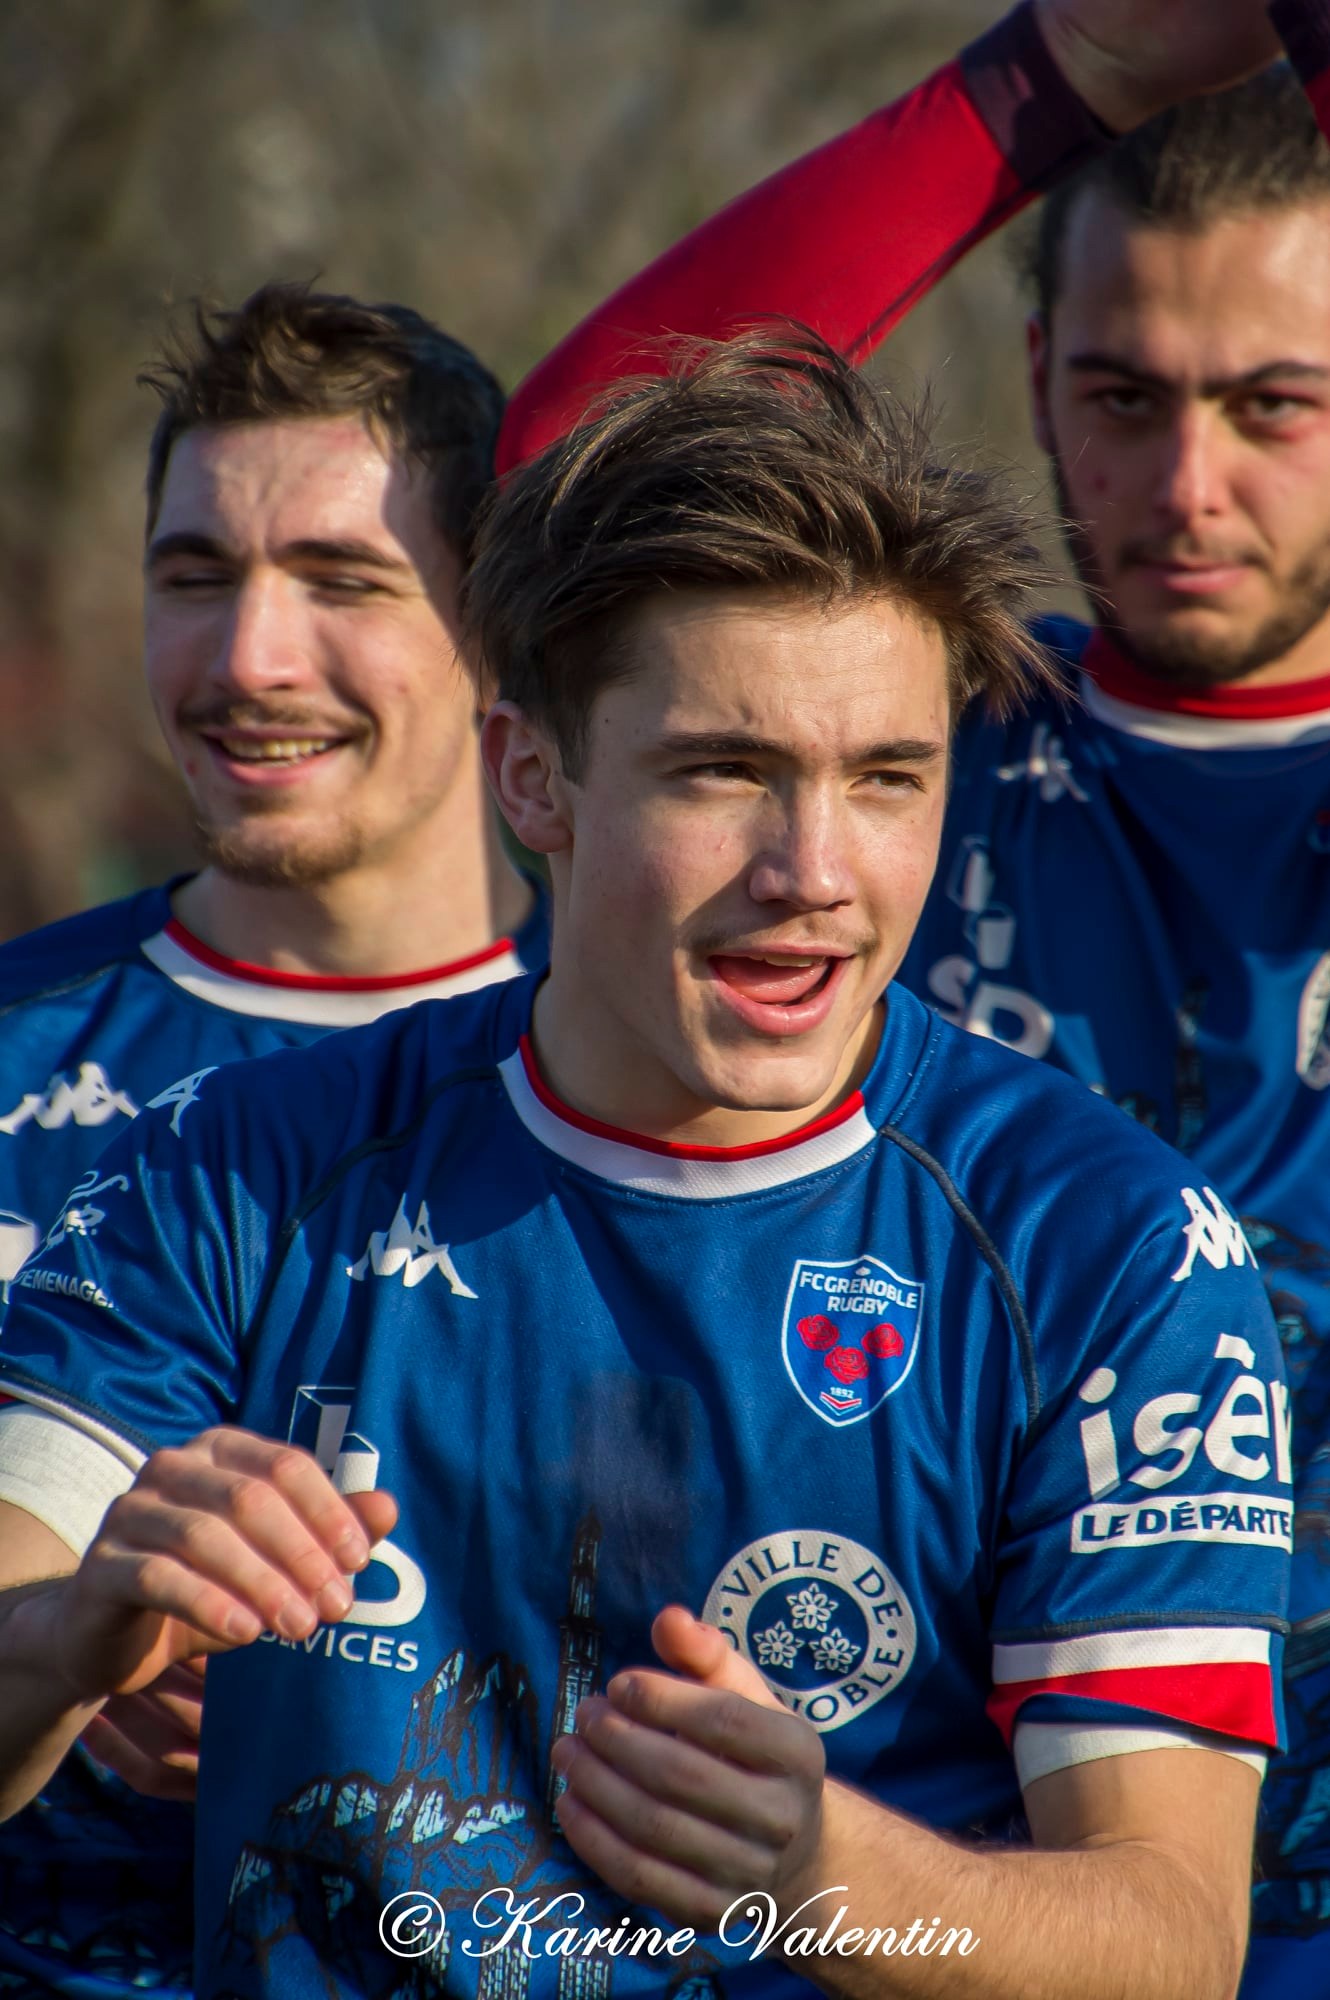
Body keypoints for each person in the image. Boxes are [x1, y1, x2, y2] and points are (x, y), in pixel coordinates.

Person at [0, 332, 1290, 2000]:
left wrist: (822, 1867)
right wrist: (80, 1629)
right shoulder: (233, 1171)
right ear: (534, 773)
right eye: (722, 773)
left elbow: (1173, 1946)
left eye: (886, 780)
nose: (812, 873)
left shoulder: (1104, 1245)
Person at [495, 2, 1330, 1988]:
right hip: (944, 1868)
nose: (1182, 481)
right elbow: (558, 480)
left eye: (1271, 402)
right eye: (1120, 395)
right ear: (1031, 372)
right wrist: (1054, 82)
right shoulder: (913, 744)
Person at [0, 284, 548, 1997]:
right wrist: (63, 1649)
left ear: (496, 630)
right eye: (194, 577)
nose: (247, 659)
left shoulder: (659, 1083)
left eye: (344, 581)